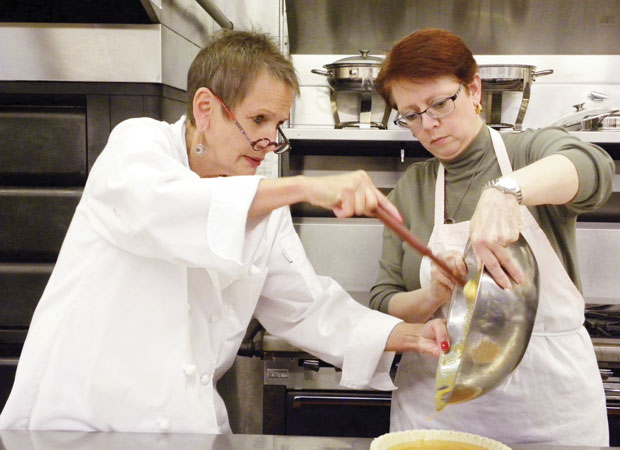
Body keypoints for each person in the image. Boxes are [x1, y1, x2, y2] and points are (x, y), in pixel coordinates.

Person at [0, 30, 450, 434]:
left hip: (185, 423)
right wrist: (306, 186)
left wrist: (409, 335)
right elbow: (167, 207)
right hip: (83, 425)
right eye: (258, 121)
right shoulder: (136, 146)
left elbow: (306, 307)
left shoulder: (257, 200)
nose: (269, 142)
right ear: (205, 108)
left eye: (277, 127)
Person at [369, 28, 614, 446]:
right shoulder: (412, 187)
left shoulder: (528, 152)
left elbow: (595, 168)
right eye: (410, 114)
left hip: (551, 415)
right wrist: (431, 296)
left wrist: (507, 192)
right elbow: (383, 299)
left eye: (440, 103)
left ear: (474, 88)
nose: (428, 124)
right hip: (438, 415)